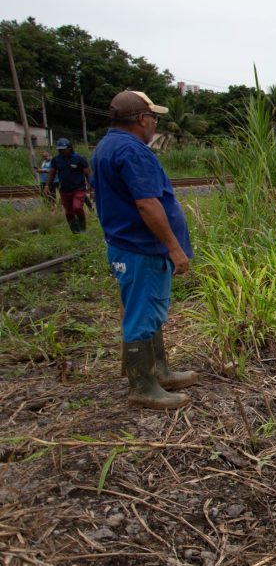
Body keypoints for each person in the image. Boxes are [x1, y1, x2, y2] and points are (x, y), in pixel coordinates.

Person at [92, 90, 198, 409]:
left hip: (128, 246)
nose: (155, 124)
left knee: (146, 311)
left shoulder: (107, 146)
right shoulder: (132, 150)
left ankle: (159, 371)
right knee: (142, 312)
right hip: (141, 248)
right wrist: (174, 248)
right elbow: (147, 204)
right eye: (154, 118)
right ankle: (142, 387)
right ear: (141, 118)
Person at [46, 139, 91, 232]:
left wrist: (91, 186)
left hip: (79, 188)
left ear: (70, 148)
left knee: (77, 207)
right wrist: (47, 185)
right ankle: (75, 232)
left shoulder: (79, 158)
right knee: (69, 212)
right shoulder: (56, 160)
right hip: (64, 190)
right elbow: (52, 173)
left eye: (63, 149)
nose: (61, 151)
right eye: (59, 149)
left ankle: (83, 229)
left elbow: (87, 173)